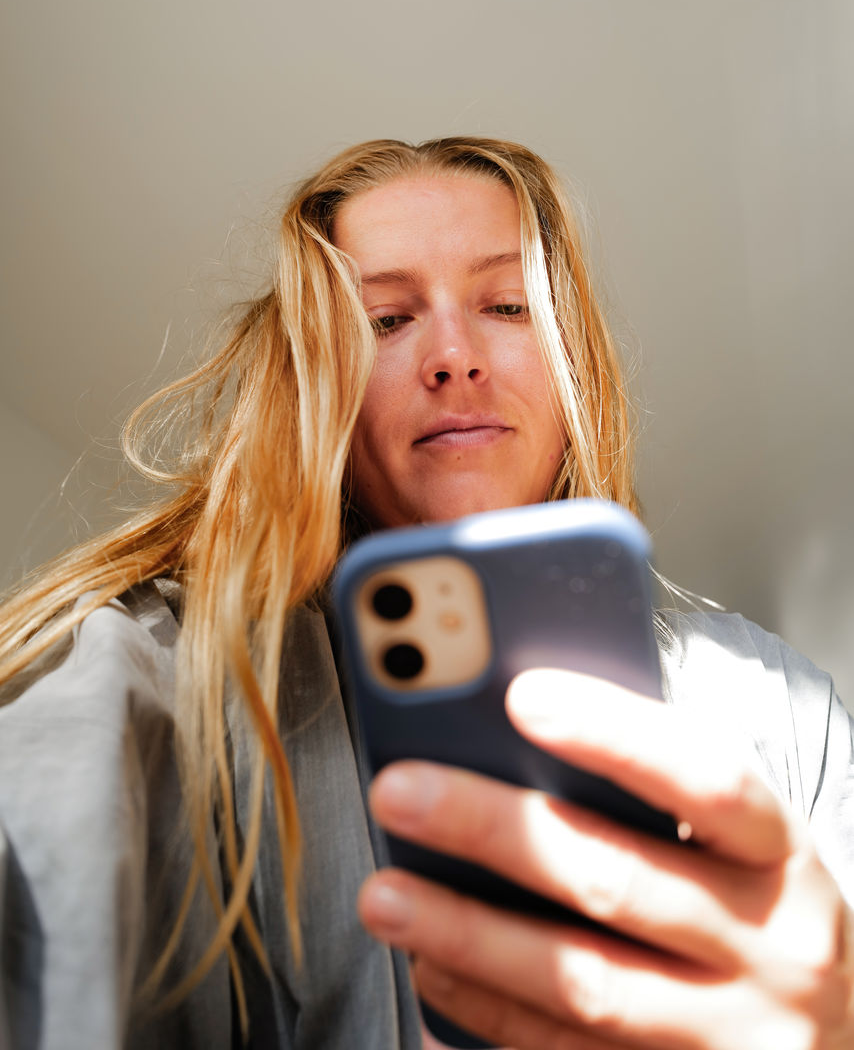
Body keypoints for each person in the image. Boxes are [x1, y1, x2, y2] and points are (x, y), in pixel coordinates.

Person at [0, 136, 852, 1050]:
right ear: (318, 383)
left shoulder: (774, 701)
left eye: (506, 303)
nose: (454, 357)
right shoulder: (156, 667)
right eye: (386, 321)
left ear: (574, 362)